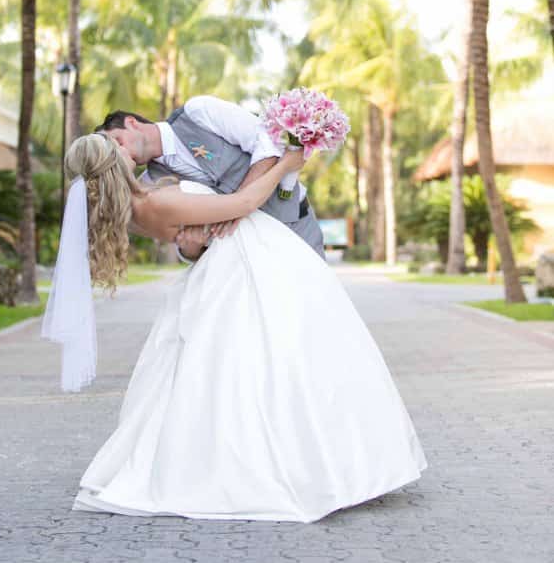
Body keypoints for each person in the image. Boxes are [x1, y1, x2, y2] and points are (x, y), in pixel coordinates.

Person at [42, 132, 427, 523]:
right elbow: (242, 203)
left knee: (241, 367)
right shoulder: (155, 200)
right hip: (244, 264)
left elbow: (191, 241)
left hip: (228, 264)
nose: (126, 150)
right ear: (112, 163)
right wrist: (285, 167)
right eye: (117, 149)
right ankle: (292, 463)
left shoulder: (139, 207)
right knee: (276, 361)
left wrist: (192, 243)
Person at [95, 94, 325, 262]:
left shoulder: (198, 112)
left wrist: (236, 207)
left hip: (294, 223)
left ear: (132, 123)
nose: (118, 152)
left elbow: (267, 143)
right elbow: (182, 242)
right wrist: (190, 249)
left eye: (117, 142)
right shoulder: (148, 187)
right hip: (242, 255)